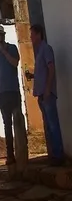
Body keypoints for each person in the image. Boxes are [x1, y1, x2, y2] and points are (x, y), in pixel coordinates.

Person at [31, 24, 65, 166]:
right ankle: (54, 155)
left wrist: (47, 89)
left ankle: (58, 156)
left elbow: (51, 69)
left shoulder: (46, 49)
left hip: (47, 94)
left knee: (52, 124)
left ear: (39, 35)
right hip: (42, 93)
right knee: (48, 124)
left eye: (32, 34)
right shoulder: (40, 51)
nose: (31, 37)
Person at [0, 24, 21, 166]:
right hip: (2, 93)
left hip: (13, 91)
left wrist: (4, 52)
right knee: (7, 125)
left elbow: (15, 63)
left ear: (2, 37)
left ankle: (22, 152)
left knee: (18, 122)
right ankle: (10, 155)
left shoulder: (12, 48)